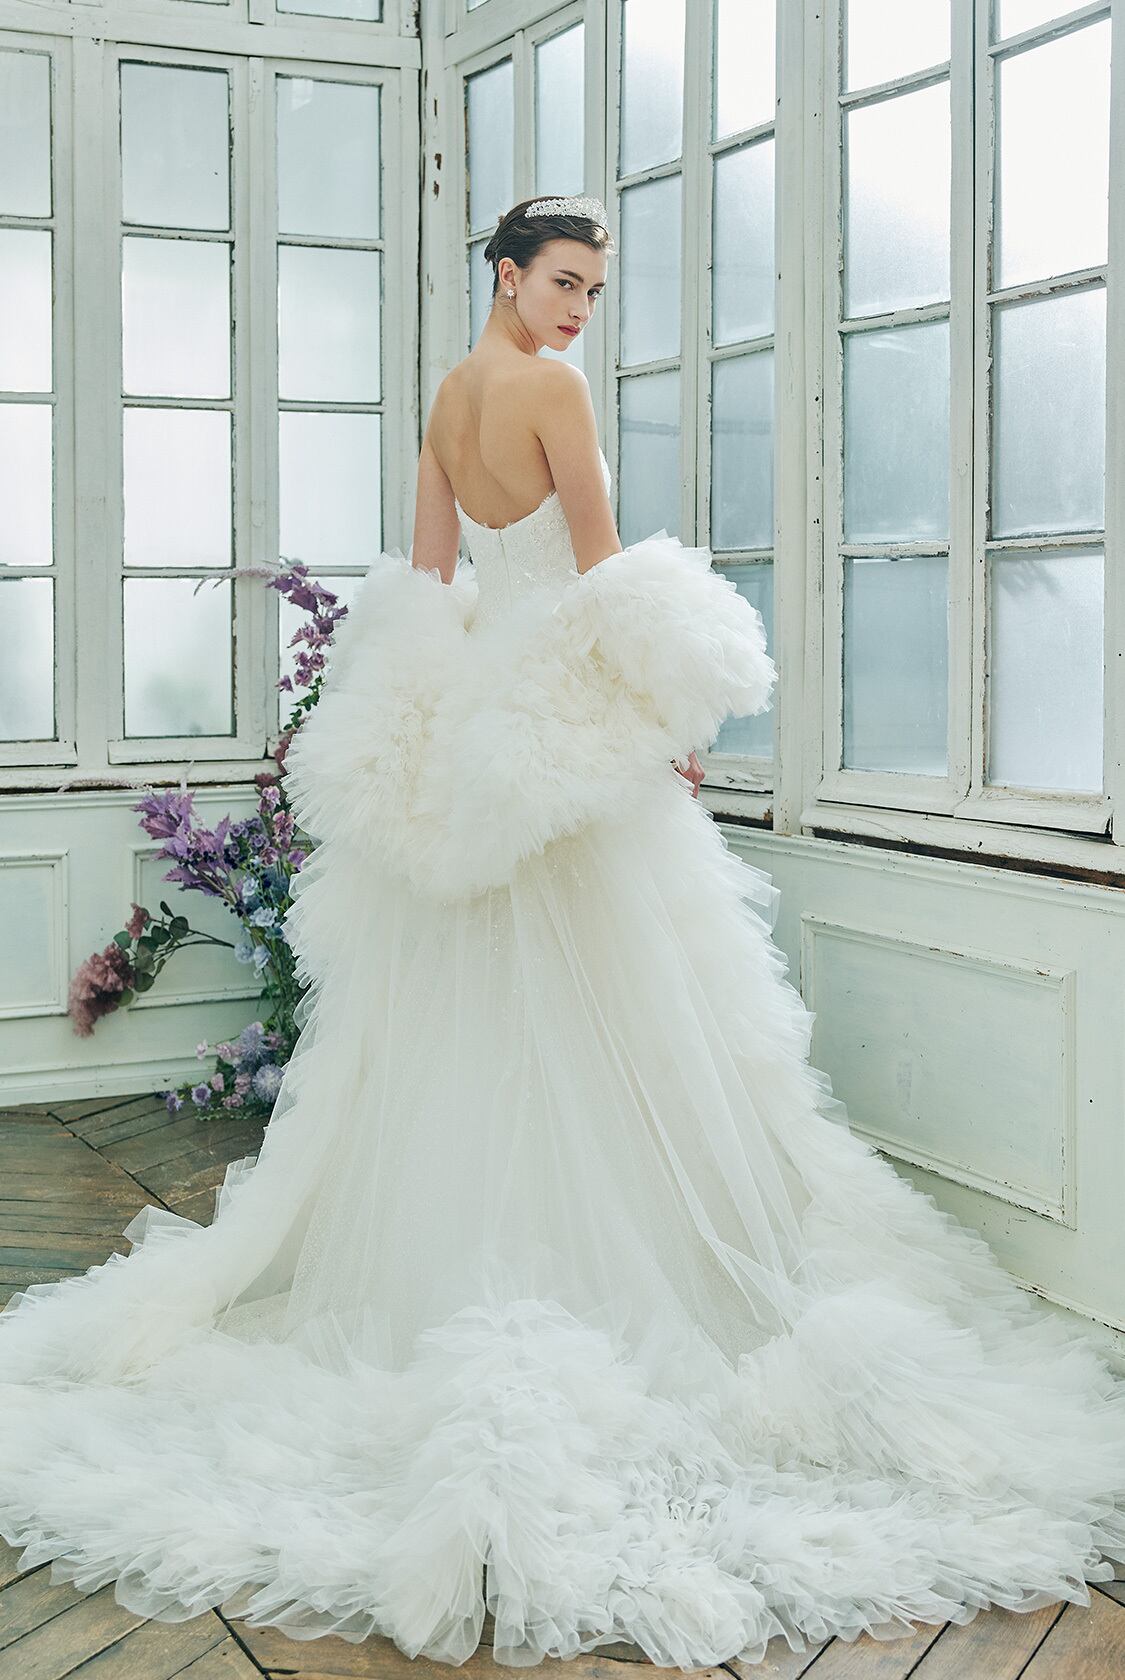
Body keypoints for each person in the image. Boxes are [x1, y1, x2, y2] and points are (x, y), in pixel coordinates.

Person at [2, 193, 1125, 1672]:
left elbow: (425, 592)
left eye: (593, 290)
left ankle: (457, 1259)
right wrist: (661, 723)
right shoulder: (549, 391)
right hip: (559, 755)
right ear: (507, 274)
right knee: (625, 1023)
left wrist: (437, 745)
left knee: (469, 1022)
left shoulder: (450, 397)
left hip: (477, 739)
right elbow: (602, 580)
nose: (580, 310)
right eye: (565, 283)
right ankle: (628, 1265)